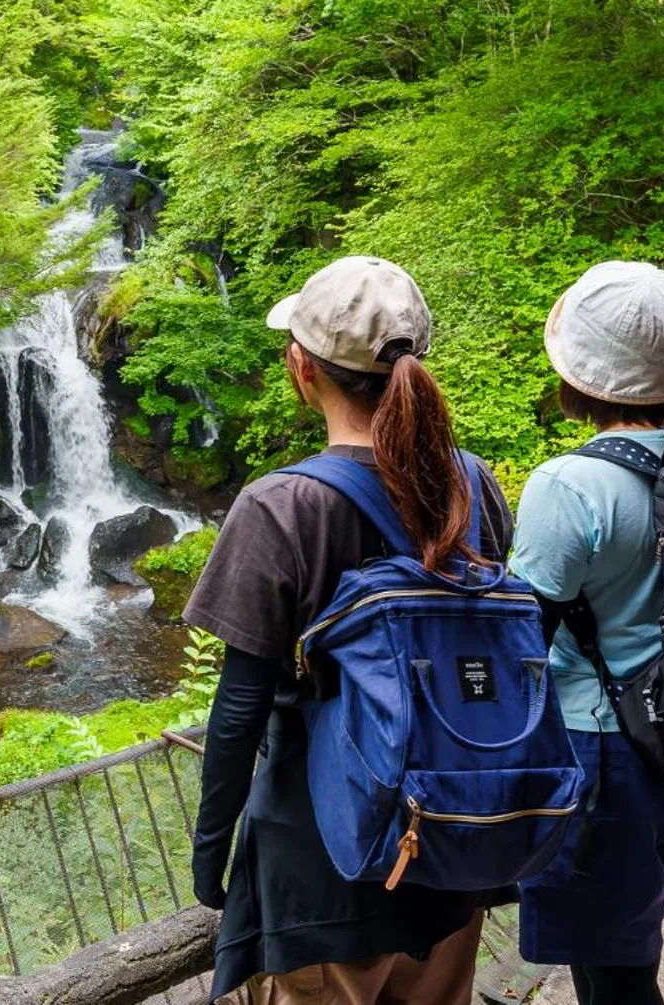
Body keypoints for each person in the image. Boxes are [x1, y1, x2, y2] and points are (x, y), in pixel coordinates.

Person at [184, 256, 514, 1005]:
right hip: (447, 841)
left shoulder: (281, 505)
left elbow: (237, 709)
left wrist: (212, 857)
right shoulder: (473, 482)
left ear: (301, 367)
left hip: (320, 864)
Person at [510, 261, 664, 1005]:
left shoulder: (568, 486)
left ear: (578, 377)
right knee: (632, 940)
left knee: (610, 973)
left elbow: (523, 634)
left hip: (601, 748)